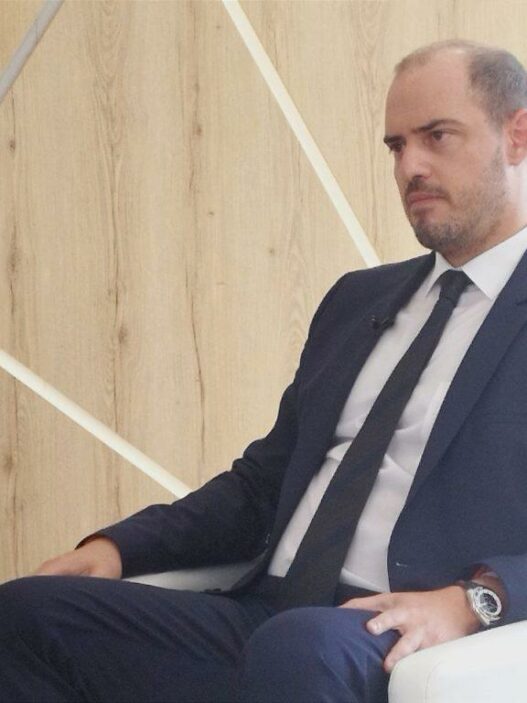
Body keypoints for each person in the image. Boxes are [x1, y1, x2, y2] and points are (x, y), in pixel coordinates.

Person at [2, 38, 527, 703]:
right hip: (267, 615)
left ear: (517, 135)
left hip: (396, 632)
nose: (410, 167)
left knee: (299, 648)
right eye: (396, 146)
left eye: (436, 136)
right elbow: (262, 485)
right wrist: (119, 549)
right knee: (26, 613)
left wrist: (477, 598)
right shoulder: (358, 301)